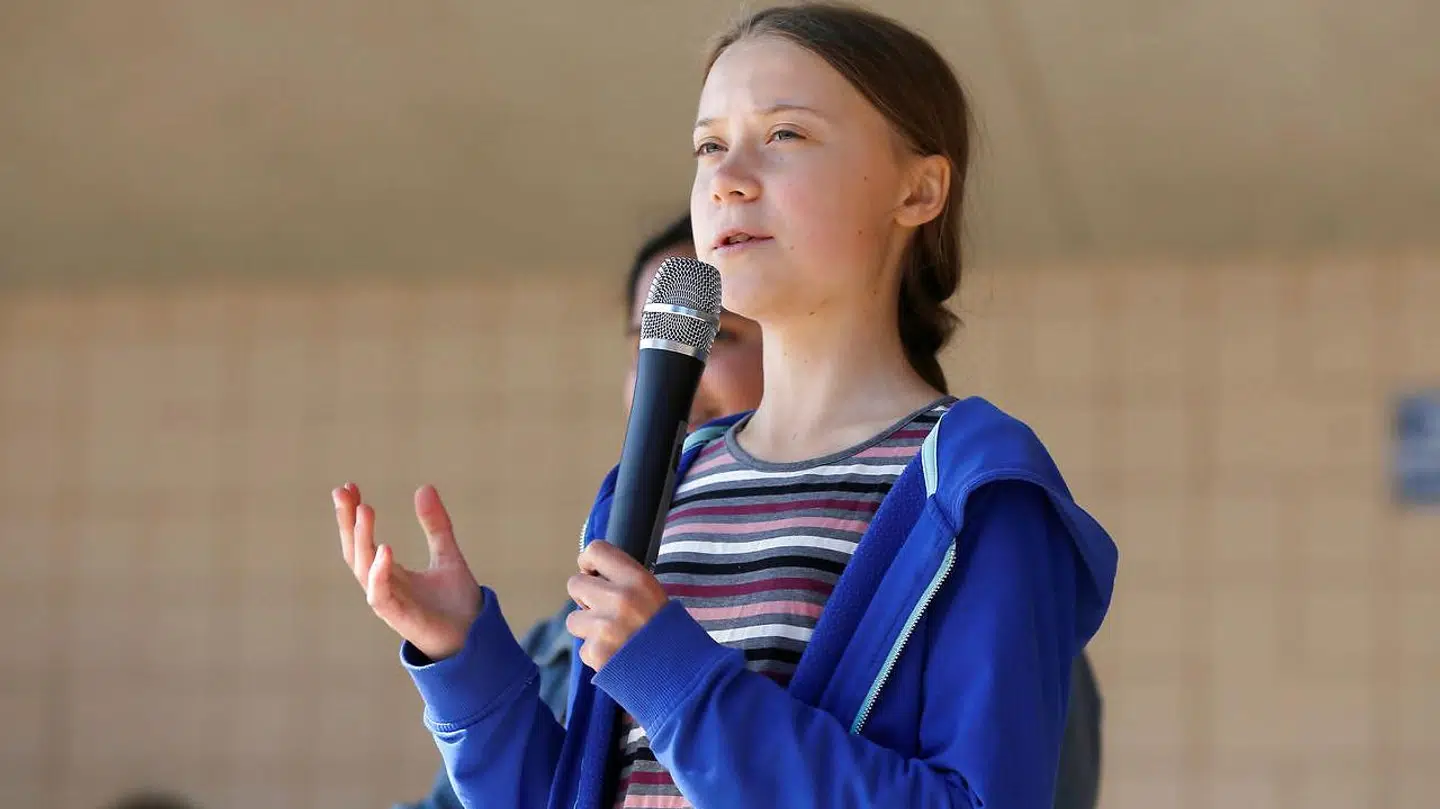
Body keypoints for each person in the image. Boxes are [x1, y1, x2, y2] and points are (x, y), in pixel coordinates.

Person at [339, 5, 1118, 809]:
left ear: (919, 189)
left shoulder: (973, 489)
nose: (727, 176)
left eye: (785, 135)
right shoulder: (659, 484)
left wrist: (681, 683)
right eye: (709, 144)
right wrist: (464, 658)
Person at [396, 212, 1106, 809]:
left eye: (720, 335)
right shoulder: (601, 582)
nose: (669, 373)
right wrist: (463, 663)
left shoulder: (962, 538)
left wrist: (679, 681)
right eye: (653, 340)